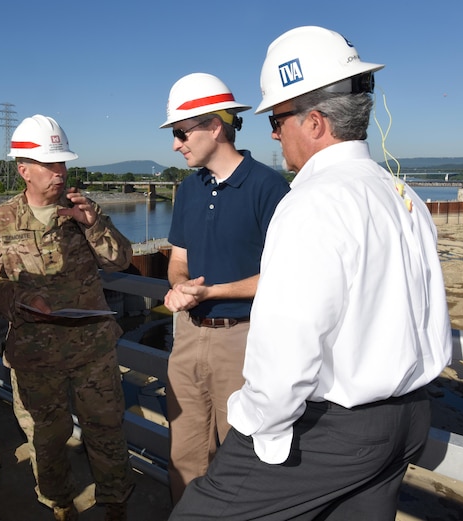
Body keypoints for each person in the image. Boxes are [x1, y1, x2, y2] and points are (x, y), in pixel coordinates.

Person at [169, 26, 453, 520]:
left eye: (277, 119)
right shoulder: (401, 195)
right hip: (409, 416)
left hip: (332, 428)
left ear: (316, 122)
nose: (274, 134)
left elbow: (288, 343)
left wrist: (259, 426)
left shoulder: (312, 203)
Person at [0, 114, 134, 521]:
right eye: (49, 164)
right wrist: (19, 300)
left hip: (92, 350)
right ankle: (58, 502)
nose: (59, 172)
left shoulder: (82, 210)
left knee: (106, 430)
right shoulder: (2, 220)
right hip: (34, 356)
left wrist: (94, 225)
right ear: (23, 169)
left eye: (62, 163)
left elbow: (121, 261)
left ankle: (116, 501)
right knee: (47, 437)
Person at [159, 72, 290, 503]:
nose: (176, 144)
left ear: (215, 126)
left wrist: (212, 293)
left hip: (245, 342)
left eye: (181, 132)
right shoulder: (187, 190)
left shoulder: (270, 189)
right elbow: (179, 260)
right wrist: (181, 288)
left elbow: (282, 275)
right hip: (189, 338)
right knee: (185, 453)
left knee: (240, 457)